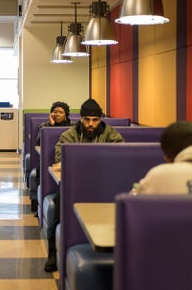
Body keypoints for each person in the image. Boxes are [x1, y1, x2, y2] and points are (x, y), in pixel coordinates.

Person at [45, 98, 123, 272]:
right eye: (86, 119)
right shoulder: (68, 135)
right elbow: (60, 159)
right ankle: (52, 253)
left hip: (106, 185)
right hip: (74, 186)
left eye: (95, 120)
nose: (90, 124)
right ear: (80, 118)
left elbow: (120, 158)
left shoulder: (112, 135)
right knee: (58, 208)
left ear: (101, 119)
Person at [28, 101, 71, 212]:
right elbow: (38, 143)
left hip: (66, 161)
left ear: (66, 114)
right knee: (40, 171)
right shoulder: (44, 126)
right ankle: (39, 206)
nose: (57, 114)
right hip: (47, 160)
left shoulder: (73, 127)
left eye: (61, 112)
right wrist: (50, 125)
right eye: (55, 112)